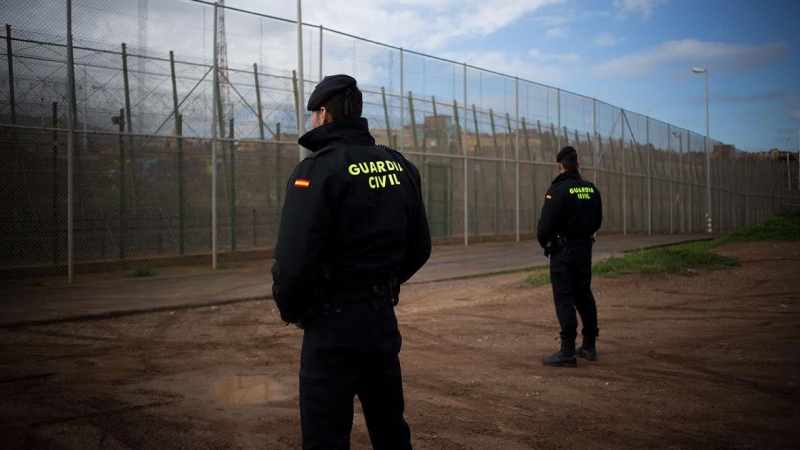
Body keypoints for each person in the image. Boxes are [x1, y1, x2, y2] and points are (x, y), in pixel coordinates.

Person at [271, 74, 431, 449]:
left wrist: (293, 310)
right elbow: (420, 247)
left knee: (326, 435)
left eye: (314, 114)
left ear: (323, 114)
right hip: (380, 320)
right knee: (390, 429)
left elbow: (294, 263)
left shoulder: (317, 170)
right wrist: (381, 286)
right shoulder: (400, 167)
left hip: (332, 326)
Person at [537, 145, 603, 368]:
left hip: (563, 252)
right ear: (578, 165)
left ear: (559, 166)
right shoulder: (592, 190)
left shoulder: (557, 191)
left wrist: (549, 244)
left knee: (564, 297)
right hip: (584, 249)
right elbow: (597, 221)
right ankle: (589, 345)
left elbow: (544, 227)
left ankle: (567, 351)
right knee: (584, 294)